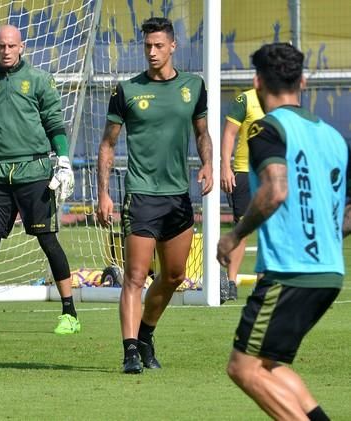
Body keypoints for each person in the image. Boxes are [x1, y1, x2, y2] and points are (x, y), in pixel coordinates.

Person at [217, 42, 348, 421]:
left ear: (257, 83)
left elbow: (275, 189)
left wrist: (235, 235)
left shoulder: (265, 128)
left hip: (290, 272)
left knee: (242, 367)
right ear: (302, 81)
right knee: (269, 364)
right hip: (329, 273)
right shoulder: (333, 137)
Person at [96, 17, 214, 374]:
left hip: (178, 197)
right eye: (147, 46)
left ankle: (146, 335)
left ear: (173, 46)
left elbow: (203, 133)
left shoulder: (194, 87)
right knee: (134, 276)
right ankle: (130, 351)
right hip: (141, 195)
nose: (152, 52)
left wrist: (208, 163)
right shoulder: (127, 90)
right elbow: (107, 145)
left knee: (175, 275)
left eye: (159, 46)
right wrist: (103, 193)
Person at [0, 24, 80, 336]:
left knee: (47, 240)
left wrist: (63, 162)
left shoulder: (39, 80)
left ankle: (70, 313)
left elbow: (55, 124)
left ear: (22, 47)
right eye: (1, 47)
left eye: (11, 46)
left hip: (34, 171)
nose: (6, 51)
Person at [220, 88, 264, 301]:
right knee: (242, 230)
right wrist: (226, 167)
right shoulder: (245, 99)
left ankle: (261, 285)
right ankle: (231, 283)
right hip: (245, 172)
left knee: (269, 232)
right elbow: (229, 133)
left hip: (271, 173)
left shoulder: (283, 100)